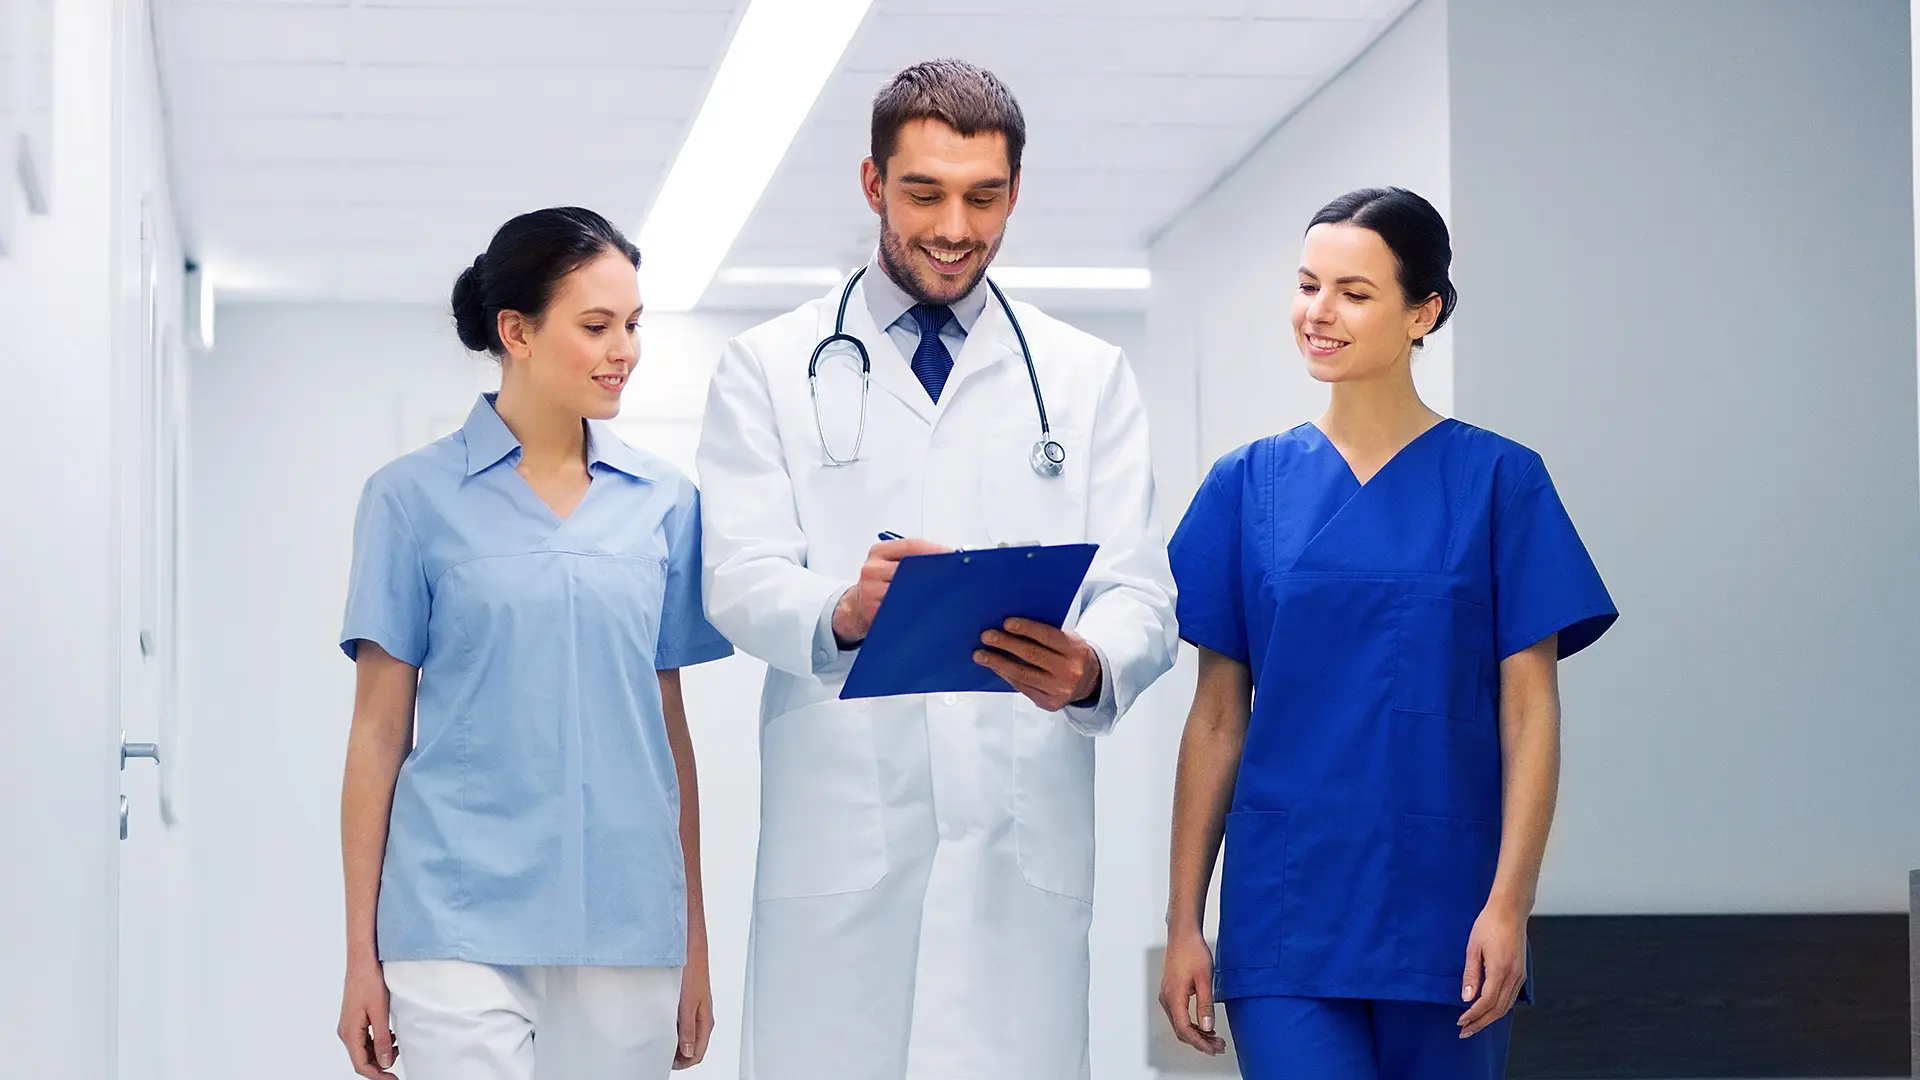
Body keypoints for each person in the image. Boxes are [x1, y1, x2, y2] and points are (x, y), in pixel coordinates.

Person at [696, 59, 1178, 1080]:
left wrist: (1092, 665)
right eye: (924, 193)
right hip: (843, 838)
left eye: (984, 195)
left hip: (1016, 830)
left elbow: (1141, 589)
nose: (956, 225)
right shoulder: (770, 367)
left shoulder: (1086, 378)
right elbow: (737, 575)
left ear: (1015, 190)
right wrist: (842, 609)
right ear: (874, 186)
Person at [1156, 187, 1617, 1079]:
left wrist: (1509, 905)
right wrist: (1184, 923)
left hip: (1447, 915)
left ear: (1423, 313)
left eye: (1354, 293)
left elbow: (1530, 716)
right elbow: (1217, 720)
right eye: (1307, 284)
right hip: (1287, 911)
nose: (1318, 313)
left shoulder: (1500, 484)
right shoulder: (1245, 487)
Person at [335, 207, 732, 1080]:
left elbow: (667, 732)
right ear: (515, 331)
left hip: (626, 921)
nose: (623, 349)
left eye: (632, 324)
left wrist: (693, 936)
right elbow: (376, 734)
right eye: (595, 326)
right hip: (454, 917)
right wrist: (360, 954)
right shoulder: (409, 500)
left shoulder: (666, 504)